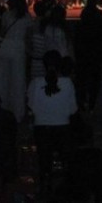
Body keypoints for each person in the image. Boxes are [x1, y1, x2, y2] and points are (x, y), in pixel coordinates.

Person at [28, 51, 78, 180]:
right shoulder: (68, 83)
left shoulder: (35, 83)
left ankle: (45, 185)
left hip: (42, 130)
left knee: (44, 163)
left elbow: (31, 107)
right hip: (63, 131)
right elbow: (73, 110)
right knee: (67, 164)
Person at [0, 0, 33, 122]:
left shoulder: (6, 15)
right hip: (18, 48)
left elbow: (2, 32)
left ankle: (2, 109)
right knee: (18, 80)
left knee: (2, 79)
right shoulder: (27, 18)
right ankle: (17, 112)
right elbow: (28, 38)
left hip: (6, 47)